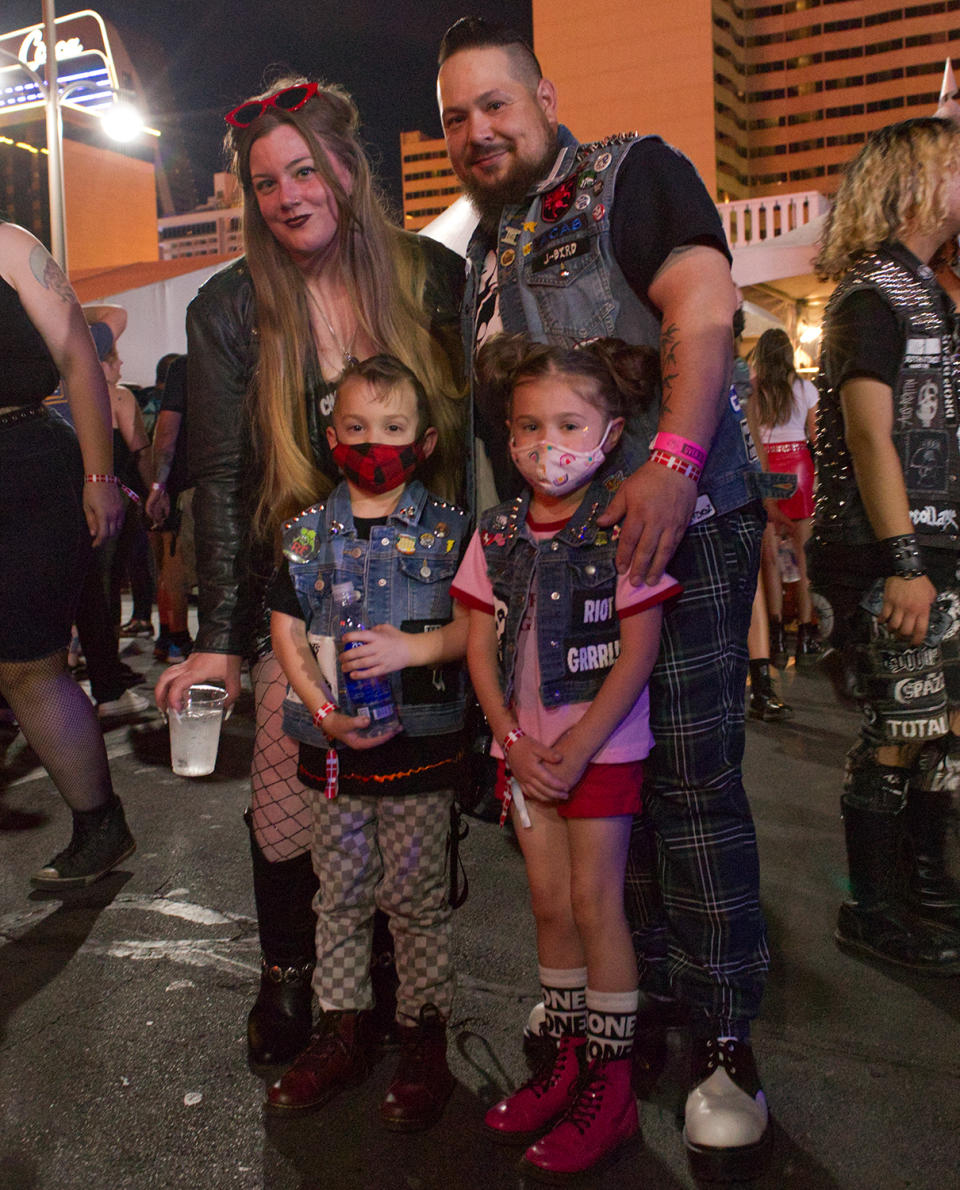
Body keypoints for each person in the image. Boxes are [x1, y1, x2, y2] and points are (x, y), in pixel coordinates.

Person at [436, 18, 770, 1180]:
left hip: (680, 530)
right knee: (595, 809)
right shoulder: (483, 251)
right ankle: (627, 1013)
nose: (479, 131)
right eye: (455, 118)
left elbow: (705, 301)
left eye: (496, 104)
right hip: (553, 577)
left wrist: (673, 463)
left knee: (689, 780)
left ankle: (727, 1040)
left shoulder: (633, 174)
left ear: (543, 96)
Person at [154, 77, 466, 1068]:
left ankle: (386, 974)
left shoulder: (428, 276)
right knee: (295, 787)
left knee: (404, 791)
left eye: (302, 170)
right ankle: (290, 971)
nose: (286, 195)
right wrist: (218, 640)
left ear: (345, 168)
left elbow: (472, 449)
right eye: (264, 182)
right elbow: (217, 472)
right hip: (304, 587)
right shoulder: (230, 304)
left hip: (420, 584)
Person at [453, 334, 680, 1179]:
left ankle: (609, 1089)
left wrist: (579, 745)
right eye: (528, 426)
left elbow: (639, 648)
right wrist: (512, 741)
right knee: (550, 905)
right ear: (507, 436)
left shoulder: (622, 523)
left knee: (596, 904)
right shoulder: (497, 530)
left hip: (601, 752)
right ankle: (570, 1064)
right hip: (528, 757)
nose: (547, 444)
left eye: (569, 423)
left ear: (610, 431)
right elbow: (480, 648)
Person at [264, 355, 468, 1128]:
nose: (372, 443)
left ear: (421, 441)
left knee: (415, 902)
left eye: (390, 428)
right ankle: (342, 1028)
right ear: (331, 436)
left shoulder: (451, 530)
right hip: (333, 761)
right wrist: (320, 710)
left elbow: (477, 628)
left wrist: (415, 651)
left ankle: (423, 1041)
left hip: (419, 757)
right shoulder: (307, 534)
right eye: (356, 428)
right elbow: (285, 628)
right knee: (340, 897)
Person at [809, 116, 960, 974]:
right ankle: (874, 908)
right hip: (889, 559)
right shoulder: (873, 294)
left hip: (934, 555)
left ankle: (919, 890)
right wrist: (905, 562)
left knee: (939, 727)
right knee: (899, 729)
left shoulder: (928, 288)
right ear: (914, 184)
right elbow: (871, 439)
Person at [0, 219, 134, 887]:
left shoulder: (9, 244)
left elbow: (81, 357)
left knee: (29, 667)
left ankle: (99, 824)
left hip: (22, 467)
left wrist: (100, 476)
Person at [751, 328, 821, 670]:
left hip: (768, 464)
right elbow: (814, 434)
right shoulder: (805, 388)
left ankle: (776, 633)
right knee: (804, 553)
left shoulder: (754, 389)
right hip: (798, 463)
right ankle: (807, 633)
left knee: (771, 559)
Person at [145, 354, 195, 665]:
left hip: (177, 487)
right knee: (177, 567)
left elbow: (162, 439)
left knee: (170, 568)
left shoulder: (183, 372)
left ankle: (171, 638)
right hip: (194, 488)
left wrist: (155, 486)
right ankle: (178, 639)